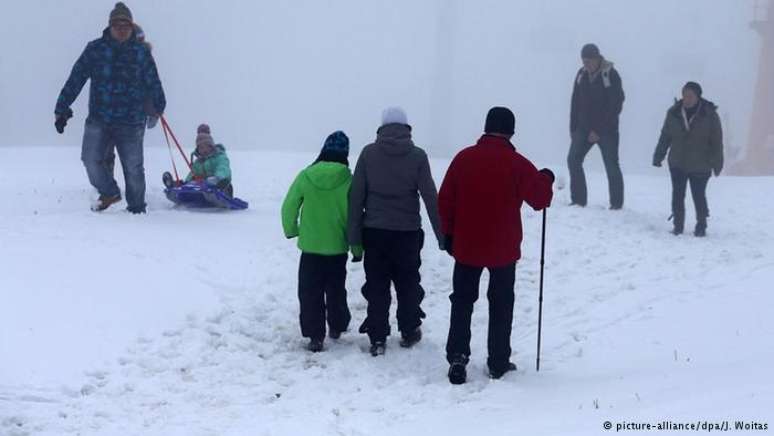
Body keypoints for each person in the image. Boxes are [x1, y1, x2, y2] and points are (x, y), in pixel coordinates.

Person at [438, 107, 554, 384]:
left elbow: (445, 199)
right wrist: (546, 178)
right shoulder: (517, 163)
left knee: (463, 300)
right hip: (503, 248)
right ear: (511, 131)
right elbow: (539, 200)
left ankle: (457, 356)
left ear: (486, 127)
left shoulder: (464, 158)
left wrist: (449, 236)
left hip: (466, 245)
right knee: (501, 303)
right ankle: (498, 361)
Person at [348, 107, 443, 356]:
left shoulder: (369, 154)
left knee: (377, 284)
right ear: (406, 127)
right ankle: (410, 330)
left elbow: (356, 197)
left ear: (382, 126)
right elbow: (431, 197)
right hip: (408, 233)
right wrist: (443, 236)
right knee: (408, 282)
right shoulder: (418, 156)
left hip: (375, 232)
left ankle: (377, 337)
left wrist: (354, 237)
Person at [54, 2, 165, 214]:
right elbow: (76, 78)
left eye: (126, 24)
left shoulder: (141, 52)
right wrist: (62, 108)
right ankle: (110, 191)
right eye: (117, 24)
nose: (122, 28)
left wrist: (158, 108)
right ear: (110, 26)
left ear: (132, 27)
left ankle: (136, 208)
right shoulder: (95, 49)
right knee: (90, 160)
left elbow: (154, 82)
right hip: (99, 118)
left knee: (133, 168)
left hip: (131, 121)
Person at [282, 131, 361, 352]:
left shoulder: (306, 175)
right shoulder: (349, 181)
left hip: (310, 248)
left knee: (309, 292)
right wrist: (357, 248)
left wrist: (291, 229)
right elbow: (354, 218)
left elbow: (289, 205)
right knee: (336, 289)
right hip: (337, 249)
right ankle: (337, 325)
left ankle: (315, 335)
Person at [653, 82, 723, 237]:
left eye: (690, 96)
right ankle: (678, 225)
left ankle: (701, 224)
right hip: (678, 162)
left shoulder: (709, 114)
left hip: (701, 164)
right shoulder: (673, 113)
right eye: (684, 96)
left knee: (698, 195)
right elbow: (665, 136)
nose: (687, 99)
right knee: (678, 194)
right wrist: (659, 155)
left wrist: (717, 163)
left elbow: (717, 141)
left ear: (698, 97)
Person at [568, 43, 625, 209]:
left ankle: (616, 205)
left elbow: (615, 105)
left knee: (611, 165)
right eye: (584, 61)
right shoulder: (581, 75)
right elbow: (575, 101)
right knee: (573, 159)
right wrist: (573, 128)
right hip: (583, 127)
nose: (586, 64)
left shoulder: (611, 75)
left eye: (589, 61)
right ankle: (578, 200)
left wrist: (598, 130)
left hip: (607, 130)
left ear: (597, 58)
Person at [163, 124, 234, 196]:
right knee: (192, 182)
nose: (204, 150)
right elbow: (192, 173)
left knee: (221, 184)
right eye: (201, 148)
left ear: (211, 147)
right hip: (203, 186)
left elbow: (223, 168)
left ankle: (219, 193)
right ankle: (176, 186)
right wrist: (187, 181)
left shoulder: (219, 157)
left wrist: (217, 177)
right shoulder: (198, 162)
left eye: (206, 147)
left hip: (220, 184)